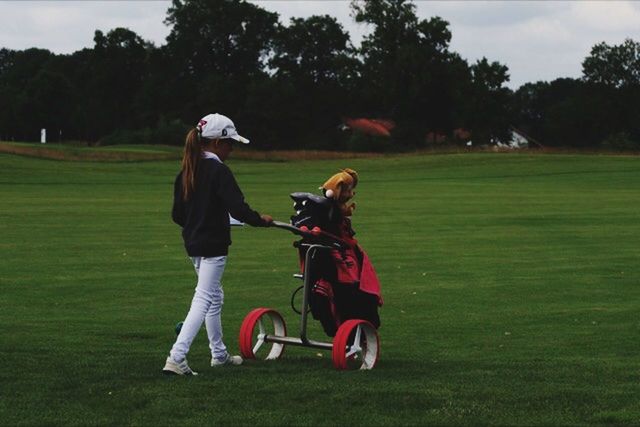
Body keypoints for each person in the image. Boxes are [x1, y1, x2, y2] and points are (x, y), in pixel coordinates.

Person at [162, 113, 272, 376]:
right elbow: (238, 207)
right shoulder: (218, 170)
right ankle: (176, 357)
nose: (232, 149)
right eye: (230, 143)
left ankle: (219, 354)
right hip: (213, 243)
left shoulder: (188, 169)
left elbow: (178, 215)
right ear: (216, 143)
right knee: (204, 297)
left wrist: (199, 221)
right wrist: (261, 221)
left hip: (193, 242)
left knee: (214, 295)